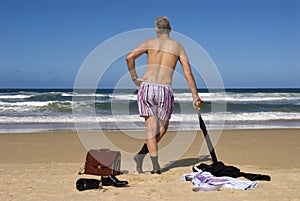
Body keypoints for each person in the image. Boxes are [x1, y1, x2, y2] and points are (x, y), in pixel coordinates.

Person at [126, 16, 203, 174]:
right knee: (162, 128)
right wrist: (195, 95)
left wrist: (134, 77)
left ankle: (144, 157)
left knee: (150, 130)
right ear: (170, 28)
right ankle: (153, 165)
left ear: (156, 29)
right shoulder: (178, 47)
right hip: (164, 89)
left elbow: (129, 57)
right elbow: (187, 72)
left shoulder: (149, 43)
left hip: (147, 87)